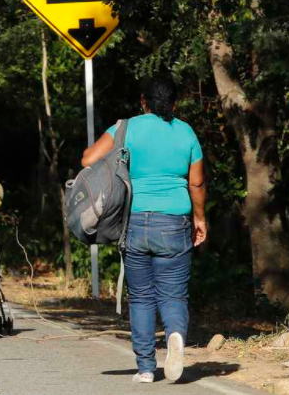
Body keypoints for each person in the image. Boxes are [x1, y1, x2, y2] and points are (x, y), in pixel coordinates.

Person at [81, 75, 207, 384]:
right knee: (174, 295)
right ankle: (175, 336)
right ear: (174, 103)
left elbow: (88, 159)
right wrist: (200, 219)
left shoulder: (127, 128)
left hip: (135, 220)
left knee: (140, 297)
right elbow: (197, 183)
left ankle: (147, 368)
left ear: (142, 101)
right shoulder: (186, 132)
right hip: (175, 221)